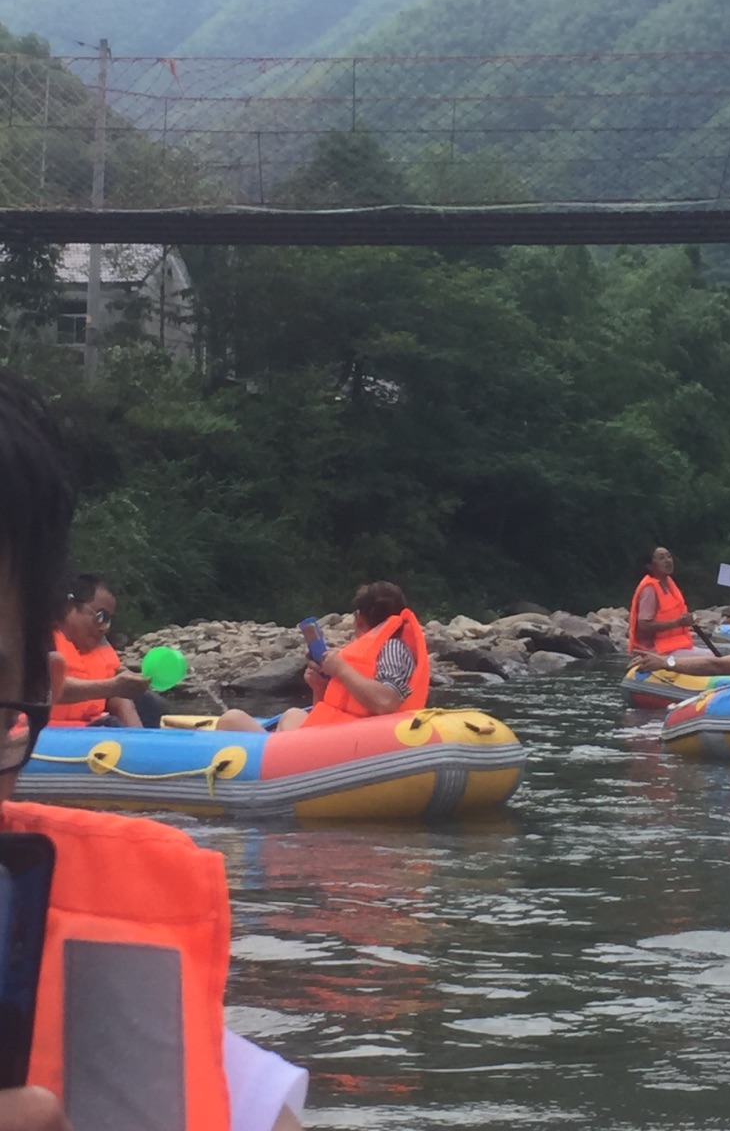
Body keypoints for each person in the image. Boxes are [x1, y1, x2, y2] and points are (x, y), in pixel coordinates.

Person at [0, 367, 306, 1131]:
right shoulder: (79, 673)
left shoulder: (171, 1051)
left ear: (24, 694)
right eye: (96, 616)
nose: (103, 625)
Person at [217, 581, 430, 733]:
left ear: (358, 619)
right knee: (292, 714)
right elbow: (339, 709)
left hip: (365, 740)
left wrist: (340, 669)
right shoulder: (372, 650)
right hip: (341, 736)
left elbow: (386, 702)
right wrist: (320, 689)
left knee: (232, 719)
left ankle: (265, 758)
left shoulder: (393, 648)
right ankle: (270, 752)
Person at [51, 573, 162, 727]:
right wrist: (113, 686)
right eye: (101, 616)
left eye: (108, 619)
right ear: (70, 607)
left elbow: (118, 697)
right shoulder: (40, 639)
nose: (104, 627)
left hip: (90, 726)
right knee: (111, 724)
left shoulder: (99, 646)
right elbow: (46, 688)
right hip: (43, 733)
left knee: (150, 703)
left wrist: (138, 738)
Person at [627, 546, 695, 656]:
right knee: (713, 660)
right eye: (661, 558)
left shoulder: (669, 583)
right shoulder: (649, 589)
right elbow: (643, 626)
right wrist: (676, 623)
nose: (668, 560)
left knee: (714, 657)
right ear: (650, 566)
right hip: (655, 650)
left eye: (669, 556)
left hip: (674, 646)